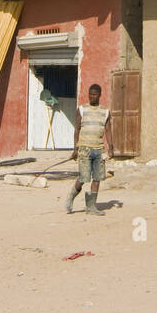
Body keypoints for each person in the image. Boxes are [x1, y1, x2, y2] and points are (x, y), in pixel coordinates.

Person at [65, 83, 112, 216]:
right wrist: (75, 148)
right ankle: (70, 198)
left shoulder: (105, 112)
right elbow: (77, 129)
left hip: (99, 150)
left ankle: (91, 207)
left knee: (97, 178)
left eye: (94, 94)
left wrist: (111, 148)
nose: (92, 97)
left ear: (99, 95)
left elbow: (108, 131)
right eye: (90, 94)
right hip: (84, 149)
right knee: (83, 178)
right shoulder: (81, 109)